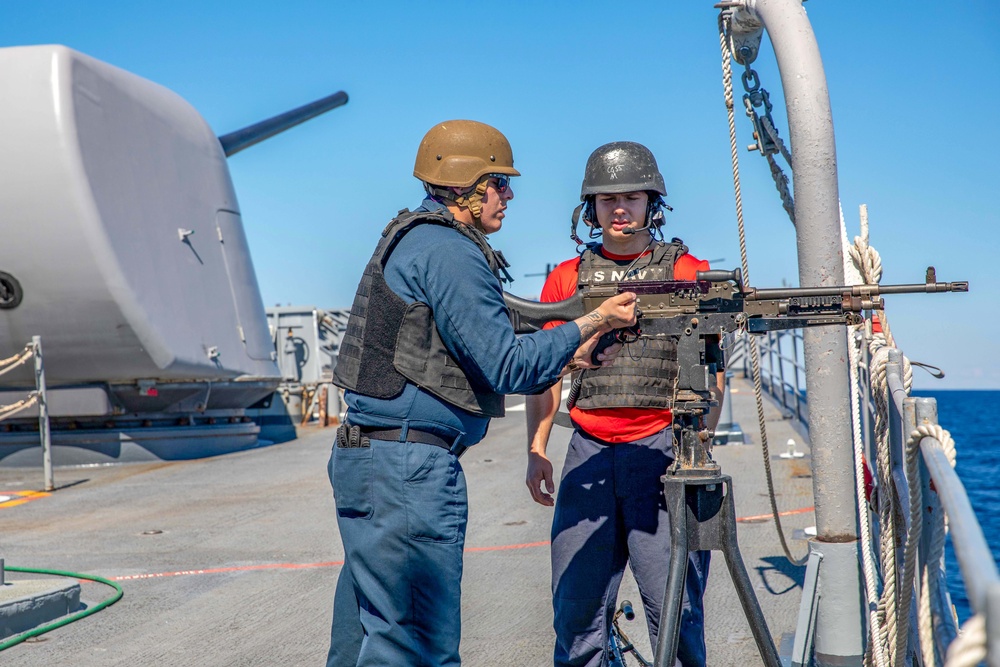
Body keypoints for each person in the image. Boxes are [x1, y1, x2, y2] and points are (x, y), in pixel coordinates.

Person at [326, 120, 638, 667]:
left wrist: (572, 353)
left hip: (375, 461)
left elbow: (466, 348)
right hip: (408, 472)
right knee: (419, 648)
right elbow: (506, 365)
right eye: (500, 183)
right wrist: (592, 321)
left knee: (369, 640)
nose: (508, 195)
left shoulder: (417, 237)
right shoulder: (449, 250)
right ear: (465, 184)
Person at [524, 141, 725, 667]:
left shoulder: (688, 271)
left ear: (651, 203)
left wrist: (697, 446)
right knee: (576, 612)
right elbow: (544, 373)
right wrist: (537, 449)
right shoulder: (566, 278)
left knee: (676, 612)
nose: (619, 209)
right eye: (607, 199)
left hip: (661, 452)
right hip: (588, 451)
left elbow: (713, 373)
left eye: (631, 197)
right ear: (590, 208)